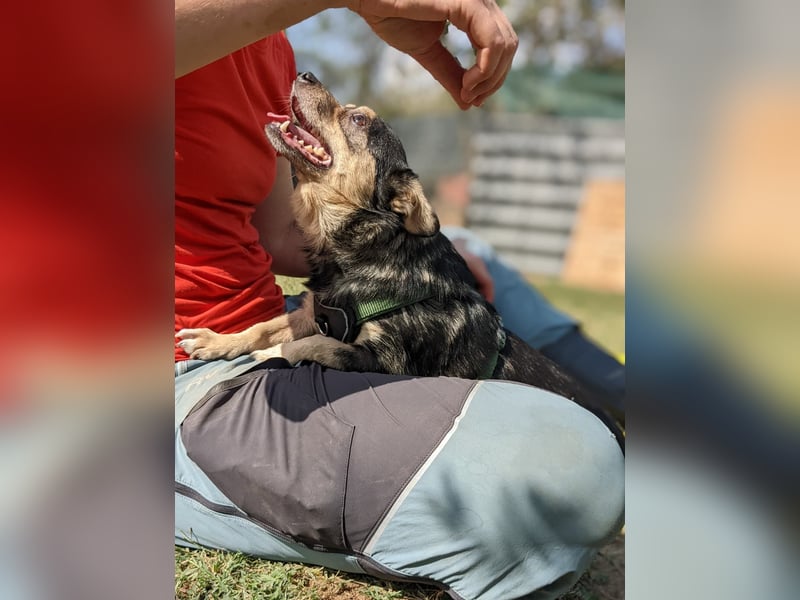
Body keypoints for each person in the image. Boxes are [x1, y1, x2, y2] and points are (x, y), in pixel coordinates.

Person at [174, 2, 625, 599]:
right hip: (171, 371)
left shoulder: (266, 45)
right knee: (571, 465)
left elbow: (277, 232)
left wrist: (430, 259)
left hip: (252, 324)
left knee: (471, 253)